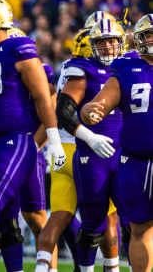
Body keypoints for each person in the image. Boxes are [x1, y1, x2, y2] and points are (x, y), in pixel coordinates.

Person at [0, 0, 65, 272]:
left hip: (17, 138)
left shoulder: (19, 47)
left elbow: (43, 98)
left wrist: (53, 140)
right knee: (6, 216)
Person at [35, 12, 116, 272]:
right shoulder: (93, 70)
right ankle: (109, 268)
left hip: (61, 147)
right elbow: (67, 109)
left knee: (57, 219)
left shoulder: (69, 68)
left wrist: (46, 142)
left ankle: (42, 268)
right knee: (105, 221)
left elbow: (54, 108)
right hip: (90, 149)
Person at [80, 14, 153, 272]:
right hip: (137, 159)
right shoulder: (125, 67)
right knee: (139, 226)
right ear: (140, 40)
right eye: (150, 35)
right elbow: (102, 99)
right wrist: (93, 108)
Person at [56, 18, 125, 272]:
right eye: (101, 42)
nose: (107, 47)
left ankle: (115, 268)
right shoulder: (82, 68)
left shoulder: (130, 68)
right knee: (93, 223)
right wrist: (89, 137)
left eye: (112, 41)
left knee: (131, 219)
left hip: (125, 154)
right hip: (91, 156)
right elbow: (64, 111)